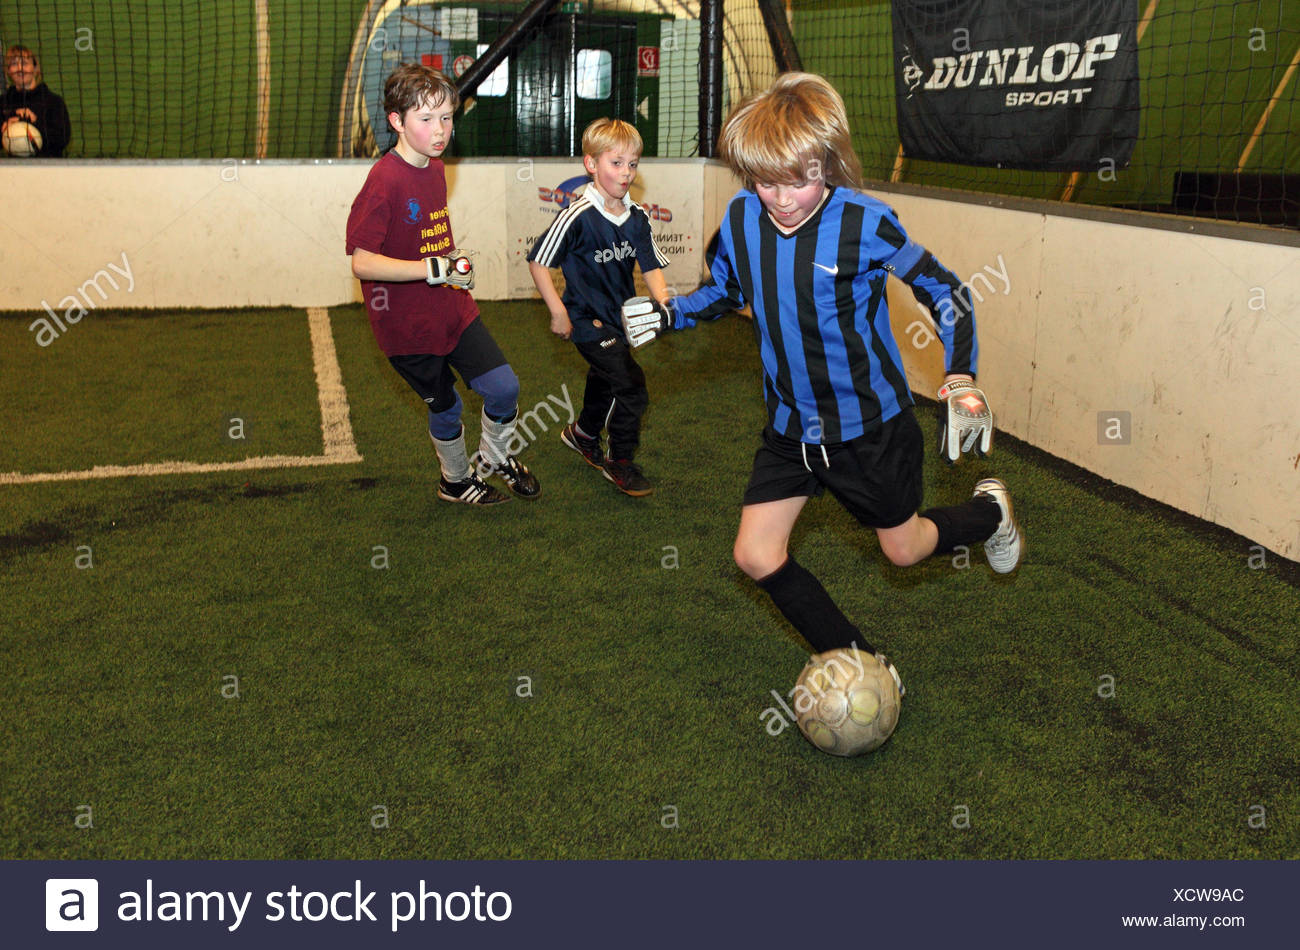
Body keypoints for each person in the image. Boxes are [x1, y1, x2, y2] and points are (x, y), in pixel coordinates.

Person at [624, 73, 1024, 690]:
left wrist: (960, 377)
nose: (780, 198)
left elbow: (948, 293)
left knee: (904, 549)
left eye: (799, 179)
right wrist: (672, 312)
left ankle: (989, 514)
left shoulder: (865, 221)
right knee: (755, 554)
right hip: (788, 427)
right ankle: (865, 664)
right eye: (764, 182)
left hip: (869, 427)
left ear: (829, 163)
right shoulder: (739, 220)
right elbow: (726, 291)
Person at [346, 63, 539, 505]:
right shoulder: (383, 181)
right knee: (448, 408)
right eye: (426, 119)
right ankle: (455, 480)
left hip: (451, 307)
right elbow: (361, 262)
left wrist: (452, 261)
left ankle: (492, 459)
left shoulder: (434, 166)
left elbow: (432, 236)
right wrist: (429, 269)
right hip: (406, 327)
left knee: (504, 387)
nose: (440, 130)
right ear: (397, 121)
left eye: (447, 117)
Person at [527, 118, 670, 497]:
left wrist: (665, 302)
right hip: (585, 321)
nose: (626, 174)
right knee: (632, 386)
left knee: (605, 379)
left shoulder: (637, 217)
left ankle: (583, 434)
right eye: (616, 163)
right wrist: (557, 311)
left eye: (633, 164)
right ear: (591, 164)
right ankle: (620, 462)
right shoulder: (578, 215)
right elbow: (538, 261)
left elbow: (651, 266)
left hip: (619, 321)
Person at [1, 45, 71, 157]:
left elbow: (62, 139)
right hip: (13, 169)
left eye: (24, 63)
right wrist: (4, 129)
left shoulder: (53, 101)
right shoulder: (3, 102)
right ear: (8, 71)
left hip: (48, 167)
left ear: (35, 69)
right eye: (14, 64)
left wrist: (33, 124)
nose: (20, 69)